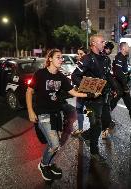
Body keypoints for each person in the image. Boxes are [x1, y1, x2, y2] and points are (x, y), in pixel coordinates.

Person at [26, 49, 99, 181]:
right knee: (54, 144)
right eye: (58, 57)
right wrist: (31, 111)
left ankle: (48, 163)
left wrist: (90, 94)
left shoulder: (61, 77)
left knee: (56, 143)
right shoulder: (40, 74)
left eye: (61, 57)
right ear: (50, 59)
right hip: (43, 114)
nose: (61, 59)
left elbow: (74, 93)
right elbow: (29, 92)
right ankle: (43, 165)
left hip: (57, 113)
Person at [71, 34, 117, 160]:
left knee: (107, 121)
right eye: (102, 42)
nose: (104, 44)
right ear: (93, 44)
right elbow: (75, 76)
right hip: (92, 98)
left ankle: (86, 135)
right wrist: (91, 89)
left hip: (104, 96)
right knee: (96, 124)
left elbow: (108, 76)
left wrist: (115, 88)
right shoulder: (86, 59)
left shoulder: (106, 59)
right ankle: (94, 151)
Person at [110, 42, 131, 120]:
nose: (129, 48)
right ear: (123, 48)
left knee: (128, 101)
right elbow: (118, 73)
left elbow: (123, 71)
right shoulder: (119, 57)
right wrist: (125, 86)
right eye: (128, 47)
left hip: (123, 84)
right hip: (119, 85)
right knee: (113, 102)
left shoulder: (124, 57)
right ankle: (105, 117)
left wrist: (128, 73)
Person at [71, 47, 88, 136]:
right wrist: (75, 86)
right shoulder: (80, 63)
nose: (79, 56)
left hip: (87, 92)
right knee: (79, 109)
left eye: (81, 54)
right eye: (78, 54)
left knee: (90, 111)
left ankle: (98, 129)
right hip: (80, 92)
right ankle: (81, 129)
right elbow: (75, 77)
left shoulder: (87, 63)